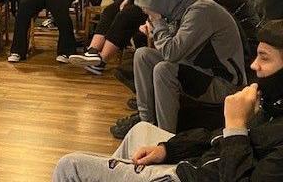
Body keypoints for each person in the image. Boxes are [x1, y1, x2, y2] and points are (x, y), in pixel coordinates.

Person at [53, 20, 283, 182]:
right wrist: (168, 150)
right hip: (196, 165)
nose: (254, 65)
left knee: (70, 166)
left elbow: (173, 52)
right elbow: (213, 138)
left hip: (189, 175)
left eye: (264, 58)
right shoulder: (272, 103)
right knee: (140, 129)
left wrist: (235, 128)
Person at [130, 0, 246, 135]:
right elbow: (175, 44)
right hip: (197, 68)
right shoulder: (182, 7)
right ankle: (146, 124)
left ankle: (165, 138)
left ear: (162, 0)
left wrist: (157, 22)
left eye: (149, 7)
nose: (146, 11)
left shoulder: (201, 10)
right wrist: (156, 29)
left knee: (164, 69)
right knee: (142, 55)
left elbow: (171, 53)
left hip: (224, 83)